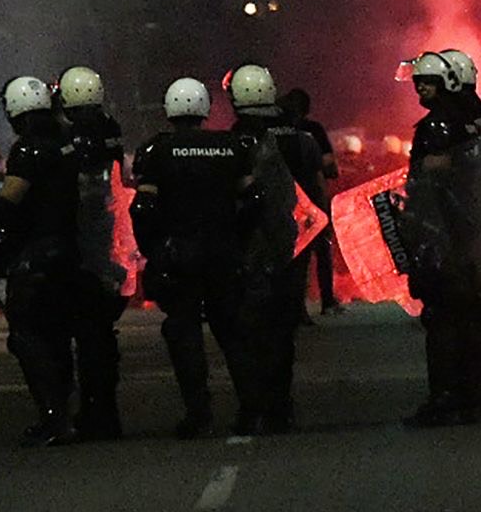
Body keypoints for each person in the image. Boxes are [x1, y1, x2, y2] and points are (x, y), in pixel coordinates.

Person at [132, 78, 259, 439]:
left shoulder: (157, 150)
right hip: (223, 250)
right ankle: (252, 410)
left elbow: (143, 206)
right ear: (204, 108)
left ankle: (198, 413)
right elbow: (253, 198)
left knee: (184, 333)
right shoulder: (230, 147)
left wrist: (153, 249)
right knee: (232, 332)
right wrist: (239, 237)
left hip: (179, 253)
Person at [398, 51, 481, 426]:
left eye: (425, 82)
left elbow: (426, 187)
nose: (420, 89)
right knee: (479, 315)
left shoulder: (437, 128)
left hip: (447, 237)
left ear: (448, 81)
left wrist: (416, 235)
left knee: (443, 319)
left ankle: (447, 396)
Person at [0, 77, 84, 445]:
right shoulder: (66, 142)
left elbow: (11, 199)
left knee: (28, 337)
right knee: (57, 335)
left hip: (37, 255)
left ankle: (53, 418)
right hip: (68, 249)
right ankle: (67, 414)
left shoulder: (28, 150)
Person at [226, 63, 319, 433]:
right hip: (294, 239)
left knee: (250, 329)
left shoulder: (238, 137)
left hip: (250, 242)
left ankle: (254, 407)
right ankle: (281, 406)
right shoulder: (301, 136)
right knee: (283, 328)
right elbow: (315, 185)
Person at [56, 65, 129, 439]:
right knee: (100, 334)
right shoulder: (110, 130)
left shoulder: (67, 137)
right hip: (109, 239)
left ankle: (90, 412)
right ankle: (105, 411)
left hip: (80, 242)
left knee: (83, 335)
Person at [279, 87, 342, 317]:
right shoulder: (312, 132)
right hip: (311, 196)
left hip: (283, 197)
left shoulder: (275, 132)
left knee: (293, 254)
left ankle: (295, 305)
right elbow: (326, 166)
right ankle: (327, 301)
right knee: (321, 249)